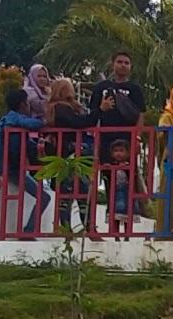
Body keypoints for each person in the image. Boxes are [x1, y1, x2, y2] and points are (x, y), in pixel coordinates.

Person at [0, 88, 51, 234]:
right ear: (22, 104)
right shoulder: (14, 118)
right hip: (6, 168)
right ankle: (29, 231)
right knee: (44, 197)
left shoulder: (7, 120)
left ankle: (28, 230)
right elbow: (34, 124)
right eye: (27, 103)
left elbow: (26, 142)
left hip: (1, 166)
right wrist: (46, 120)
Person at [45, 78, 102, 232]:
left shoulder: (61, 107)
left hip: (67, 153)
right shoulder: (60, 108)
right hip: (70, 153)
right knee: (73, 191)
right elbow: (78, 123)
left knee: (73, 192)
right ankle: (77, 228)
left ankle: (72, 228)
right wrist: (99, 111)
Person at [88, 51, 146, 157]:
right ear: (112, 64)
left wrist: (137, 137)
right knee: (107, 170)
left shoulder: (135, 89)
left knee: (129, 172)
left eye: (126, 63)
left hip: (127, 138)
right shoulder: (101, 87)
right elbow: (92, 112)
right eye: (119, 62)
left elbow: (141, 114)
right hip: (105, 138)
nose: (123, 65)